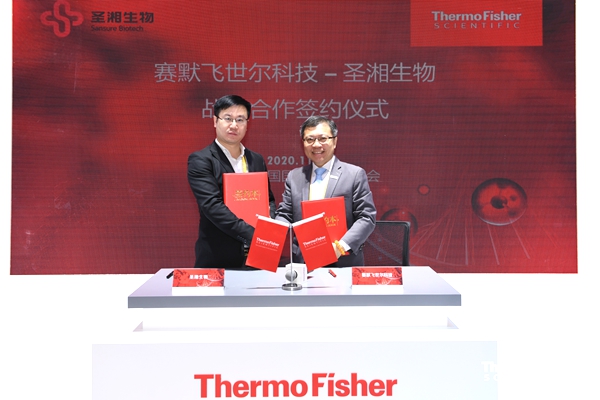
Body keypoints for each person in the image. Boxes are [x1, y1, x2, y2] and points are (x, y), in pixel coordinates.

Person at [188, 94, 276, 268]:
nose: (234, 125)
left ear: (247, 124)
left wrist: (268, 227)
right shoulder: (201, 160)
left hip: (259, 255)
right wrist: (254, 234)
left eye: (240, 120)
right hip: (219, 255)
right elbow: (212, 206)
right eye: (228, 118)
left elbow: (269, 200)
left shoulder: (256, 159)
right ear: (215, 121)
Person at [275, 116, 376, 267]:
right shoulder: (295, 176)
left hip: (342, 262)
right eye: (310, 139)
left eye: (323, 138)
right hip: (303, 263)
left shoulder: (354, 174)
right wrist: (272, 234)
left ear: (334, 141)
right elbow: (285, 214)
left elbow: (366, 217)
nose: (316, 145)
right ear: (303, 143)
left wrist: (340, 247)